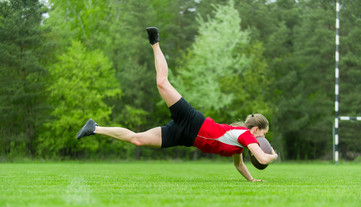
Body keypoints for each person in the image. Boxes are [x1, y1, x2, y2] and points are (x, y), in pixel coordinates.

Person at [76, 27, 278, 182]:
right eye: (264, 135)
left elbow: (239, 165)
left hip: (185, 136)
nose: (263, 139)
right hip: (192, 121)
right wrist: (273, 155)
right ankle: (155, 42)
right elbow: (262, 158)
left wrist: (251, 179)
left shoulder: (239, 146)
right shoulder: (244, 135)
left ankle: (94, 128)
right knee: (162, 82)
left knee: (137, 140)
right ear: (256, 129)